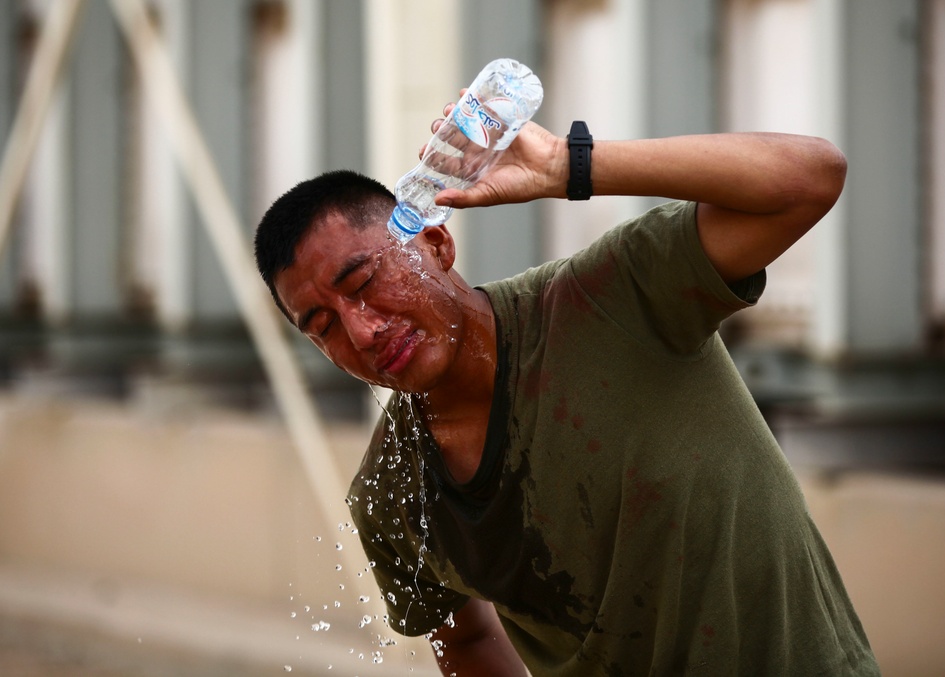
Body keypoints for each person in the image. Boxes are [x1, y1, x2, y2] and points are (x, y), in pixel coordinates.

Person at [254, 95, 880, 675]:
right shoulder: (392, 495)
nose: (361, 332)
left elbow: (812, 176)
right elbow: (466, 640)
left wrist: (567, 165)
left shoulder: (612, 298)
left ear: (436, 244)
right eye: (322, 326)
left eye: (363, 282)